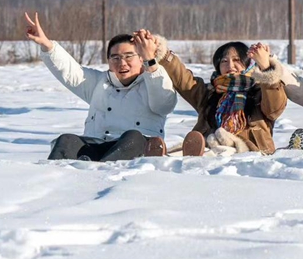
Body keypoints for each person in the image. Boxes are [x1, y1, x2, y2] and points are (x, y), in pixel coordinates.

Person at [24, 12, 177, 161]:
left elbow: (164, 104)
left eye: (129, 56)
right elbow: (70, 71)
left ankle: (102, 173)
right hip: (97, 145)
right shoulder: (100, 83)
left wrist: (150, 61)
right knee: (66, 140)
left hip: (137, 147)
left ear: (141, 58)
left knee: (133, 136)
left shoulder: (153, 82)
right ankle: (54, 179)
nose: (122, 63)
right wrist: (47, 45)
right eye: (115, 57)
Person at [152, 36, 287, 156]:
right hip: (209, 146)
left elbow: (275, 107)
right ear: (218, 66)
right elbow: (183, 79)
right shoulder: (209, 93)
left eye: (237, 60)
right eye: (224, 61)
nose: (231, 65)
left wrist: (266, 69)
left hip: (251, 153)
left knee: (220, 139)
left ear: (247, 64)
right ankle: (161, 156)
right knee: (191, 150)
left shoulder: (260, 91)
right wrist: (162, 53)